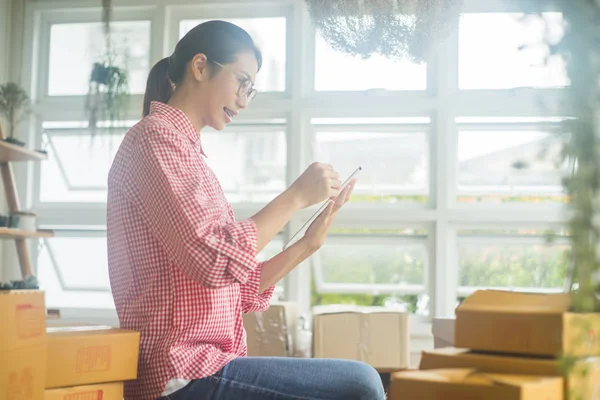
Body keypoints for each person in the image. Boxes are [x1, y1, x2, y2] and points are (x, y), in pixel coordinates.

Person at [107, 20, 385, 400]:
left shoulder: (188, 156)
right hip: (178, 372)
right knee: (362, 384)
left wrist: (307, 245)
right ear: (200, 66)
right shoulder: (155, 140)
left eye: (251, 89)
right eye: (241, 81)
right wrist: (295, 197)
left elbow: (235, 289)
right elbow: (213, 260)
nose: (244, 98)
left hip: (208, 365)